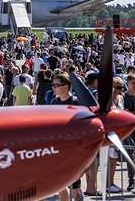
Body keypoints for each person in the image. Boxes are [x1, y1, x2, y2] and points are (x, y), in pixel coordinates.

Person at [50, 72, 83, 200]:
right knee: (60, 186)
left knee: (76, 188)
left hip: (74, 150)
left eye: (56, 85)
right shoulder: (54, 102)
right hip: (59, 149)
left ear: (66, 87)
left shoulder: (76, 103)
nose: (53, 87)